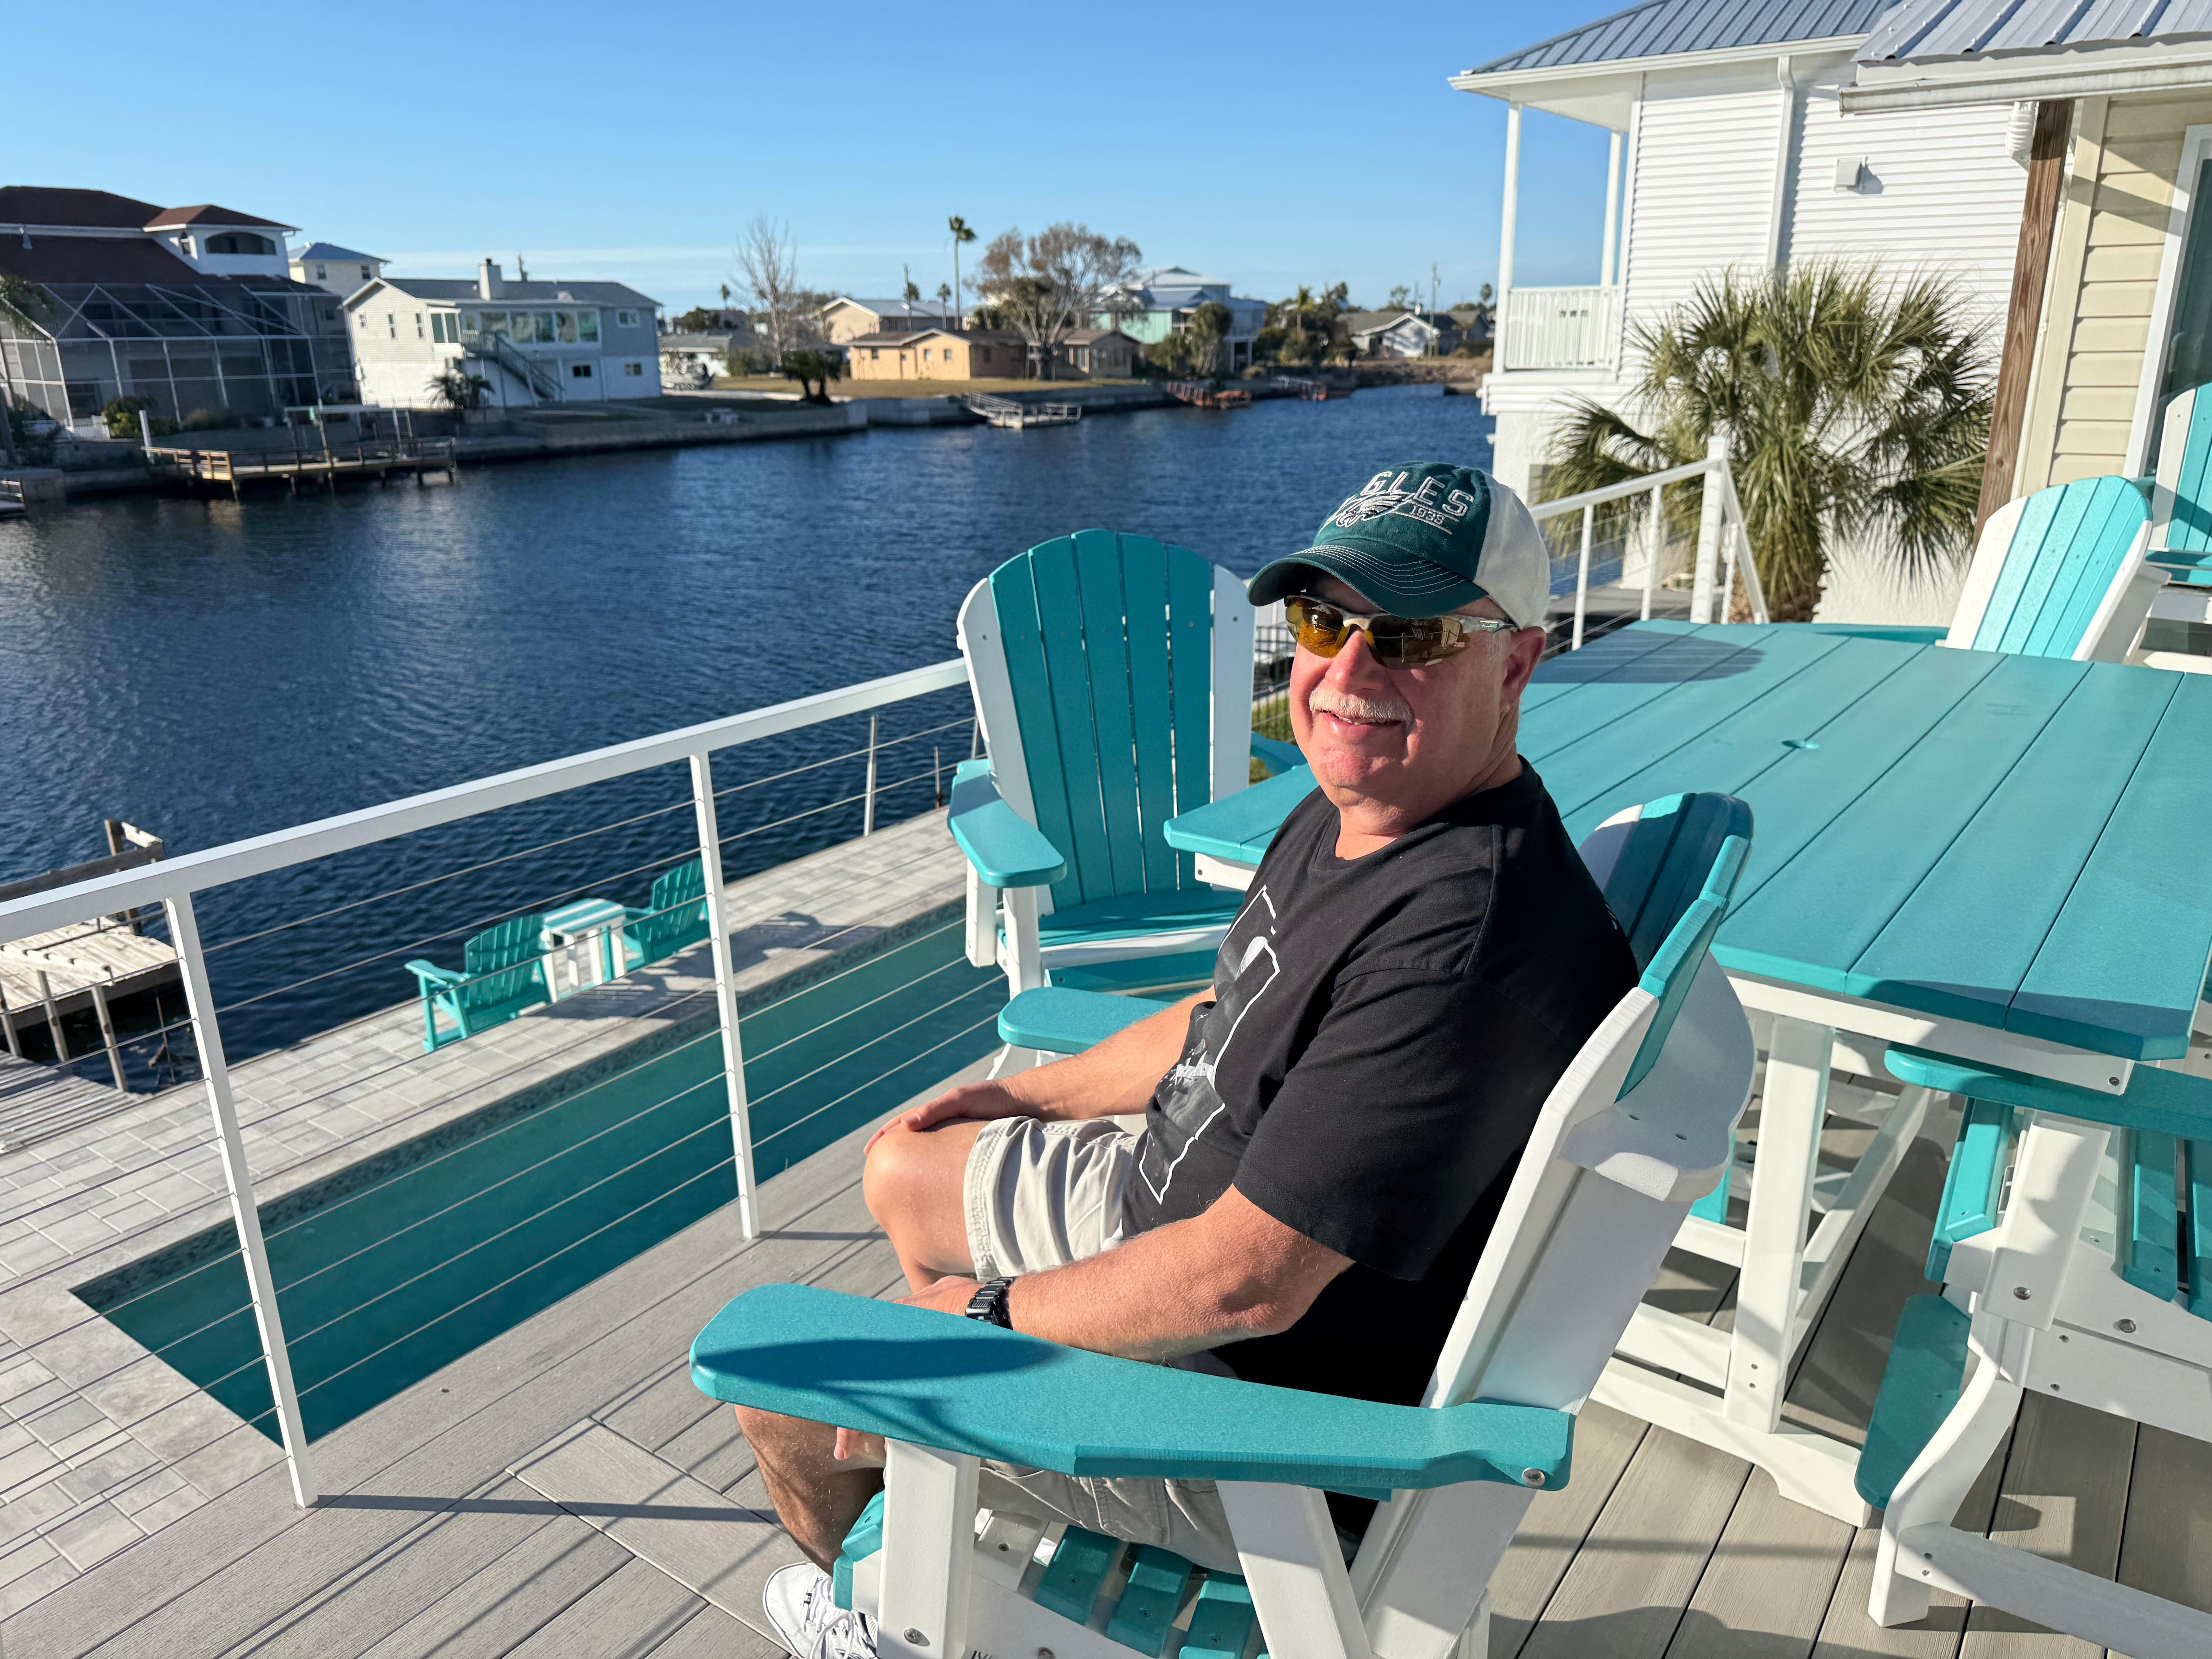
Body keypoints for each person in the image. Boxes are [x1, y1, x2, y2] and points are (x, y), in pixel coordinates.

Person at [742, 462, 1640, 1658]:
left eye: (1411, 634)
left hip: (1250, 1416)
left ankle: (892, 1597)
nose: (1347, 673)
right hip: (1167, 1212)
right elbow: (1231, 1001)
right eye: (1322, 622)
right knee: (905, 1165)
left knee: (788, 1395)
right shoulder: (1364, 809)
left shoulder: (1458, 945)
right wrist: (1025, 1093)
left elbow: (1245, 1285)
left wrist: (990, 1323)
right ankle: (931, 1512)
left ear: (1516, 665)